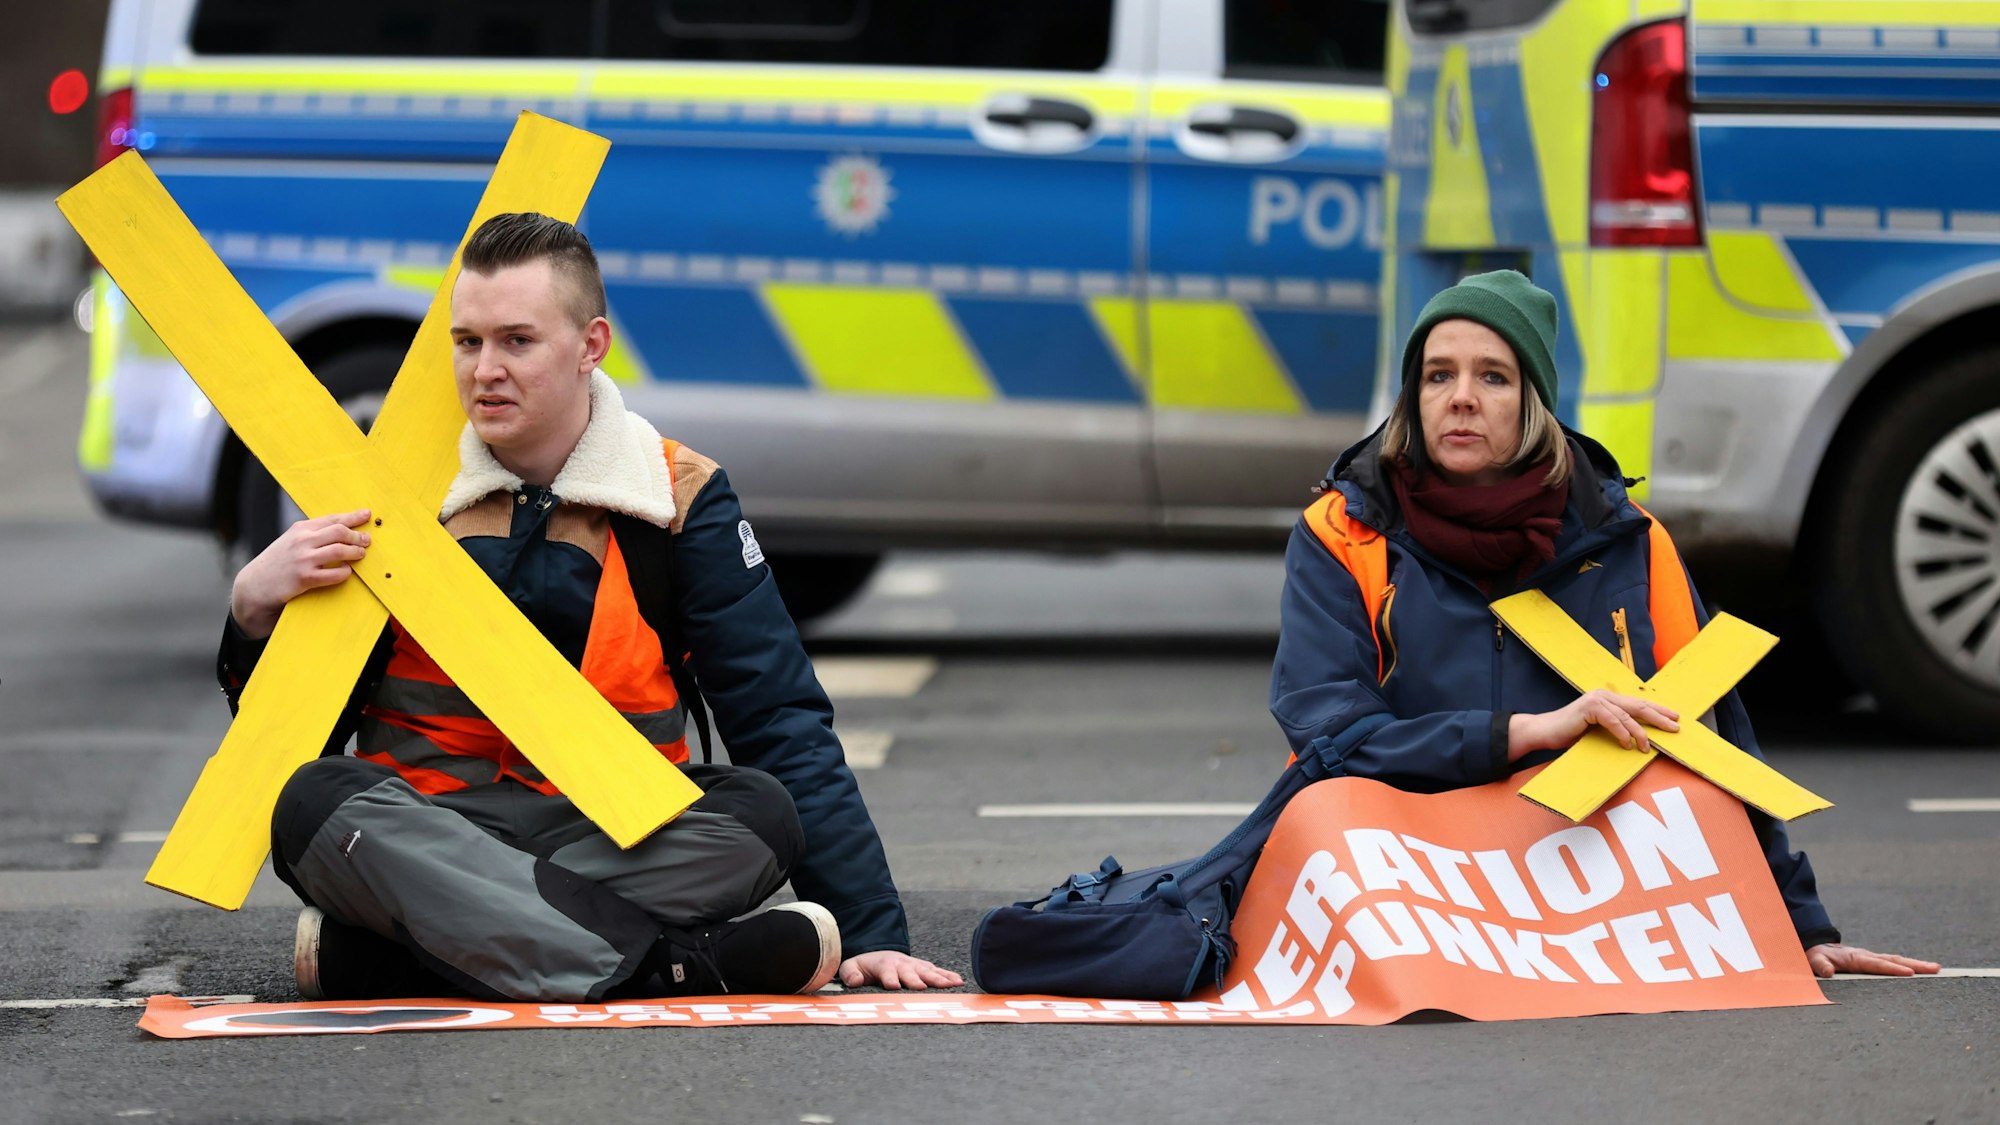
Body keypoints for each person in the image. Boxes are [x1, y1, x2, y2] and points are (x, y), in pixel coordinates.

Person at [221, 212, 962, 1002]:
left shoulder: (678, 495)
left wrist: (874, 929)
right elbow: (292, 730)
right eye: (466, 342)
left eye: (517, 341)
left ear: (591, 345)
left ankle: (399, 954)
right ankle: (682, 964)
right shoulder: (390, 494)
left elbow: (778, 715)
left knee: (763, 816)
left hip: (615, 834)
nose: (484, 370)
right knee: (309, 804)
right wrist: (250, 612)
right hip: (429, 830)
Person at [1270, 270, 1935, 980]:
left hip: (1567, 887)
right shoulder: (1341, 532)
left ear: (1535, 404)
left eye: (1493, 376)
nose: (1460, 397)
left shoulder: (1632, 542)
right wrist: (1523, 732)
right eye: (1437, 375)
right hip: (1398, 880)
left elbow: (1708, 738)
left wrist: (1796, 920)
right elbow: (1328, 735)